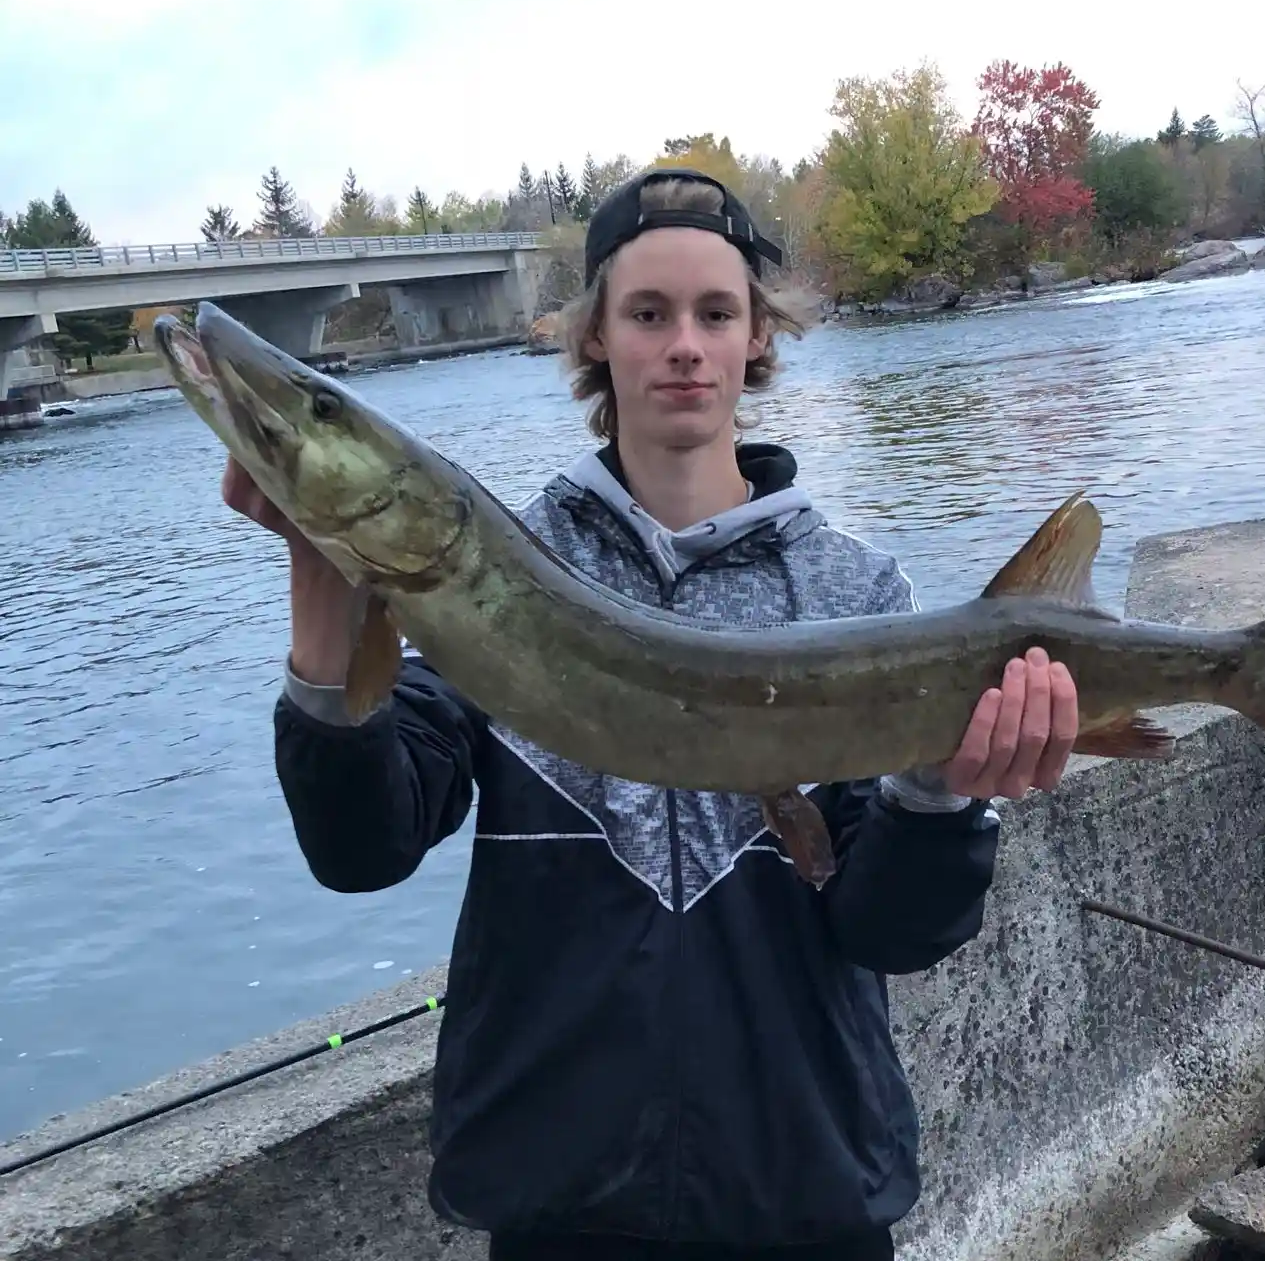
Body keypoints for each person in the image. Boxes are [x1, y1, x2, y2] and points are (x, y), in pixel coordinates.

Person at [226, 168, 1080, 1261]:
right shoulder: (486, 580)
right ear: (596, 341)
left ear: (756, 342)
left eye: (715, 314)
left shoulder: (860, 597)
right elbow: (363, 845)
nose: (685, 345)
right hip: (559, 1211)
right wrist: (322, 592)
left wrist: (942, 799)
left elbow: (890, 932)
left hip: (806, 1196)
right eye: (648, 313)